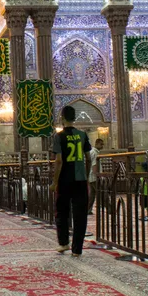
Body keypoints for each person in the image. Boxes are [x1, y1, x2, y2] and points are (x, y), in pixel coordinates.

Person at [51, 106, 92, 257]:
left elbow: (59, 161)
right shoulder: (82, 135)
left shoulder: (58, 136)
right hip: (80, 180)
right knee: (80, 215)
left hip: (64, 180)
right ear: (74, 118)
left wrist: (54, 182)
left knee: (61, 212)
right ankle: (77, 250)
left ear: (62, 118)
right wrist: (86, 176)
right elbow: (88, 158)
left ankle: (63, 243)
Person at [87, 139, 104, 215]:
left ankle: (87, 210)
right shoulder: (94, 153)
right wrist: (97, 175)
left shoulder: (91, 152)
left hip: (91, 176)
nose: (102, 146)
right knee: (103, 193)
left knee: (92, 195)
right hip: (94, 177)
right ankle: (110, 209)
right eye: (101, 144)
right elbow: (94, 165)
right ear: (96, 143)